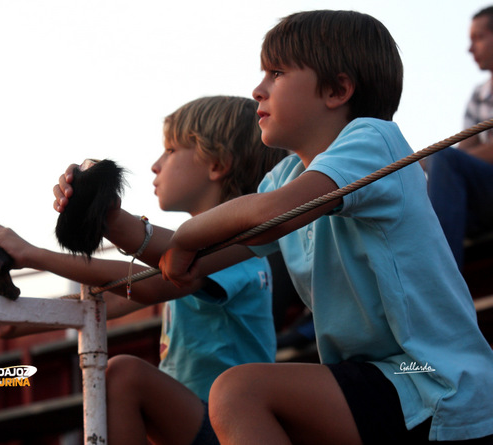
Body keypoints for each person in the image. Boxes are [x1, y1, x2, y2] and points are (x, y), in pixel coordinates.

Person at [154, 10, 493, 444]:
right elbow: (199, 262)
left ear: (337, 90)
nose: (258, 89)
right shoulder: (284, 179)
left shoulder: (373, 140)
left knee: (240, 392)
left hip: (430, 371)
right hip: (378, 377)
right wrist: (108, 219)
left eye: (276, 73)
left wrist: (184, 237)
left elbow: (265, 217)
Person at [0, 95, 288, 445]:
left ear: (217, 164)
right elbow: (112, 298)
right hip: (196, 421)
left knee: (123, 375)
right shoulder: (203, 256)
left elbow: (148, 285)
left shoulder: (239, 252)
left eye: (170, 150)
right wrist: (17, 317)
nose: (155, 164)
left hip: (231, 428)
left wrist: (32, 254)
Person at [425, 6, 493, 269]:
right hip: (483, 195)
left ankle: (439, 276)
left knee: (443, 159)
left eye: (479, 37)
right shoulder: (480, 95)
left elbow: (457, 158)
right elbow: (464, 152)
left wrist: (437, 161)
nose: (470, 48)